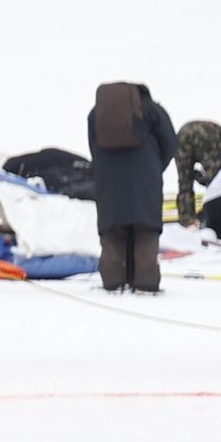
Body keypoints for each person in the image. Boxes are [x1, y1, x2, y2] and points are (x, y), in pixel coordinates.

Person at [89, 79, 179, 294]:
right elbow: (170, 143)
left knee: (112, 232)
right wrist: (156, 167)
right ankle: (145, 284)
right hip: (145, 179)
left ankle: (112, 282)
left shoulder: (97, 113)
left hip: (108, 181)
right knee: (145, 231)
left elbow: (93, 144)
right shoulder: (153, 110)